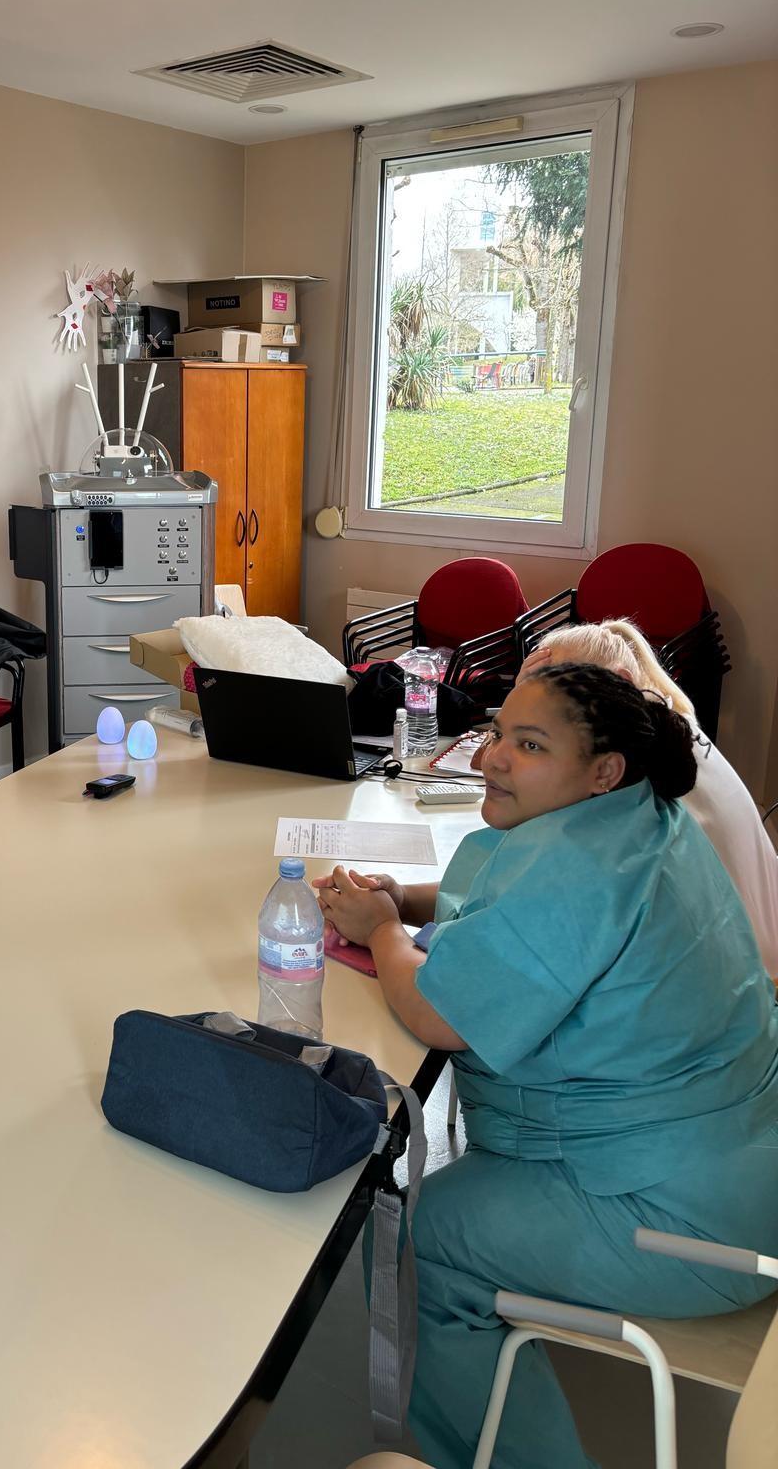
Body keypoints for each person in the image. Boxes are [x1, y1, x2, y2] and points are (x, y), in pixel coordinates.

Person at [316, 664, 778, 1469]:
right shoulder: (636, 819)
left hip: (687, 1220)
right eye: (499, 733)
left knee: (410, 1240)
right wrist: (407, 901)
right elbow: (515, 908)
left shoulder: (585, 867)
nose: (491, 757)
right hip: (731, 1164)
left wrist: (384, 929)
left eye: (529, 745)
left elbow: (437, 1015)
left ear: (603, 770)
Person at [514, 617, 778, 975]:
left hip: (733, 974)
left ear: (621, 682)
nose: (550, 714)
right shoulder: (677, 726)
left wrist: (518, 710)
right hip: (756, 951)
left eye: (565, 700)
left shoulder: (636, 762)